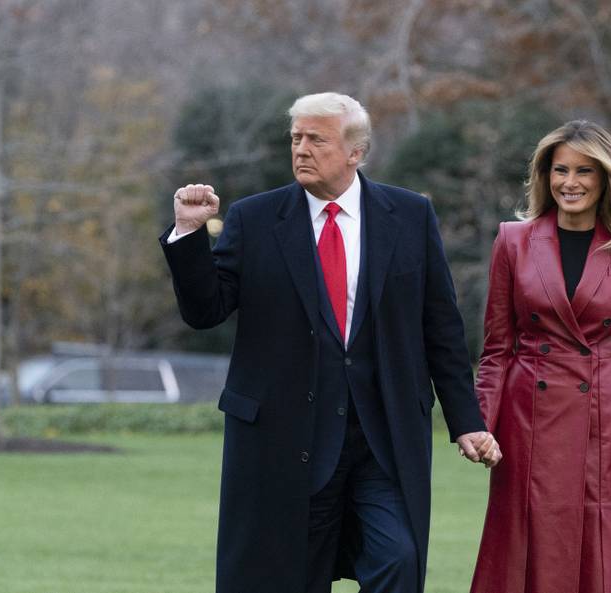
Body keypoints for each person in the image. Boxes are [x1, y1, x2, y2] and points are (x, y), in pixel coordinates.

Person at [160, 92, 501, 593]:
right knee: (289, 577)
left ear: (355, 152)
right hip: (283, 438)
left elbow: (441, 327)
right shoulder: (254, 219)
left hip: (382, 435)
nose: (300, 149)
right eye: (295, 138)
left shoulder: (409, 216)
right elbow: (205, 311)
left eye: (316, 139)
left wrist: (465, 420)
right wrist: (189, 233)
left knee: (399, 561)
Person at [469, 120, 611, 593]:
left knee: (606, 537)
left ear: (604, 179)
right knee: (525, 539)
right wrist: (480, 423)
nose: (570, 182)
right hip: (527, 418)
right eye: (560, 170)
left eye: (584, 171)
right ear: (545, 175)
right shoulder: (512, 241)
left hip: (607, 419)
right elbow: (496, 349)